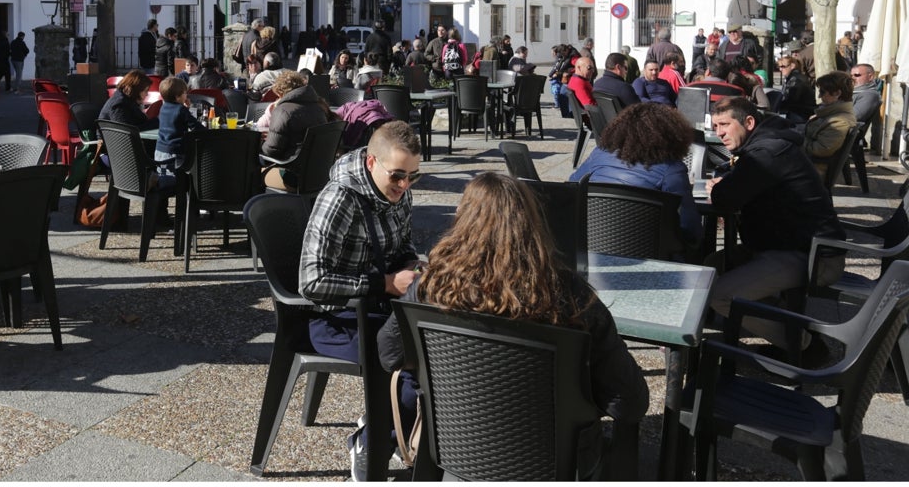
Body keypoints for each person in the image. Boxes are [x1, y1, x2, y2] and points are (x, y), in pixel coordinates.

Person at [377, 173, 647, 438]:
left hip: (456, 444)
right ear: (531, 222)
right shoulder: (568, 294)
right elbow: (629, 403)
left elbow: (390, 354)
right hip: (553, 455)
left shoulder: (431, 286)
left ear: (461, 221)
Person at [300, 120, 423, 481]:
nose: (405, 186)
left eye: (413, 177)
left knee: (440, 348)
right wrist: (384, 283)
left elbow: (402, 246)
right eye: (397, 176)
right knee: (411, 366)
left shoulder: (401, 189)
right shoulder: (339, 197)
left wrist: (412, 263)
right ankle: (371, 444)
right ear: (371, 163)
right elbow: (311, 283)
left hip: (378, 308)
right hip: (331, 319)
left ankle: (396, 427)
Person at [705, 98, 844, 357]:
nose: (719, 132)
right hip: (783, 244)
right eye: (715, 126)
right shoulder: (767, 144)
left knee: (718, 295)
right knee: (709, 267)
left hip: (814, 257)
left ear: (749, 122)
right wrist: (726, 187)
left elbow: (727, 197)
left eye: (725, 124)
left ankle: (805, 346)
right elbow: (735, 188)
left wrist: (720, 189)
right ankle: (784, 319)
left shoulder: (766, 153)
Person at [572, 102, 701, 247]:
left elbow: (571, 189)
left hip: (592, 248)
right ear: (672, 135)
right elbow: (690, 229)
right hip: (651, 256)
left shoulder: (599, 154)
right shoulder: (672, 170)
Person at [261, 71, 330, 189]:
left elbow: (271, 151)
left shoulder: (283, 110)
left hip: (292, 177)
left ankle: (255, 206)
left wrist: (261, 144)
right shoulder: (319, 108)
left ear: (282, 93)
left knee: (251, 172)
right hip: (319, 176)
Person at [803, 71, 858, 179]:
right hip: (807, 164)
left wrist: (796, 140)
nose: (819, 96)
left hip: (811, 170)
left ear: (837, 93)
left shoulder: (839, 122)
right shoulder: (830, 114)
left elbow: (822, 149)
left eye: (822, 92)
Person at [153, 76, 205, 173]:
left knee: (165, 177)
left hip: (160, 150)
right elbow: (195, 126)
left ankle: (157, 181)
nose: (186, 95)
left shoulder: (163, 107)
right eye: (185, 93)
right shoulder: (181, 109)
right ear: (177, 97)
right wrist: (207, 131)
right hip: (175, 152)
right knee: (179, 177)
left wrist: (187, 108)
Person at [775, 56, 815, 124]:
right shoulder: (794, 77)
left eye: (783, 66)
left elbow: (790, 98)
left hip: (800, 114)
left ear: (792, 66)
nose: (780, 69)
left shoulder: (795, 80)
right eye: (779, 67)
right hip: (801, 112)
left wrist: (777, 105)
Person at [548, 44, 577, 117]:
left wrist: (567, 72)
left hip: (571, 78)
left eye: (563, 53)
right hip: (565, 78)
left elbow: (577, 67)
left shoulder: (574, 56)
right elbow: (559, 65)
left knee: (566, 95)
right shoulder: (565, 56)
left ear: (566, 50)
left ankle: (570, 114)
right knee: (562, 95)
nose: (563, 55)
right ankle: (566, 114)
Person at [850, 62, 882, 126]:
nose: (852, 78)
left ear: (870, 77)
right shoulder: (853, 91)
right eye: (851, 76)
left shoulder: (870, 95)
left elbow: (853, 116)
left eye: (857, 75)